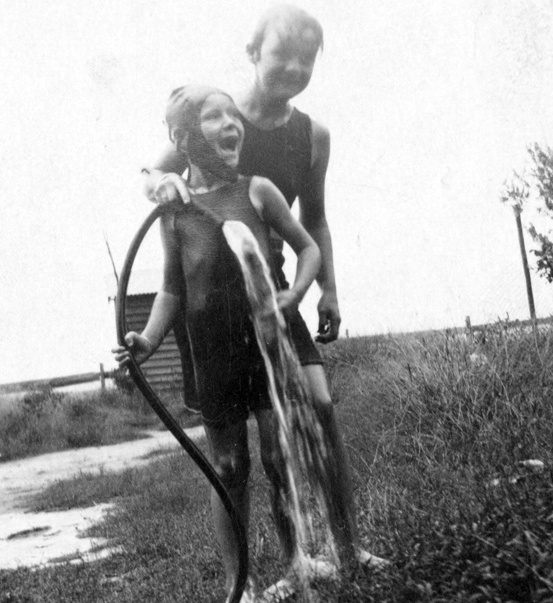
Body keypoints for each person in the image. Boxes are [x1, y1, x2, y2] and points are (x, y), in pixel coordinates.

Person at [142, 4, 386, 570]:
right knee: (242, 453)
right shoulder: (217, 121)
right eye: (282, 55)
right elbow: (154, 178)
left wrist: (326, 289)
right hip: (219, 313)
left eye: (307, 59)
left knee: (318, 409)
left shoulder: (311, 135)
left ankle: (346, 548)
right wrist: (163, 182)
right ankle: (283, 563)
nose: (295, 68)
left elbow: (315, 221)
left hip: (281, 300)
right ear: (253, 54)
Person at [117, 85, 326, 603]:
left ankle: (296, 561)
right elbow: (171, 290)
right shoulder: (173, 212)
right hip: (212, 354)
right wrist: (148, 339)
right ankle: (239, 591)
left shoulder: (258, 191)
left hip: (262, 342)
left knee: (278, 458)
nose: (233, 124)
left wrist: (298, 291)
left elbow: (309, 247)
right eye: (216, 117)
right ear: (185, 137)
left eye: (235, 115)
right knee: (229, 465)